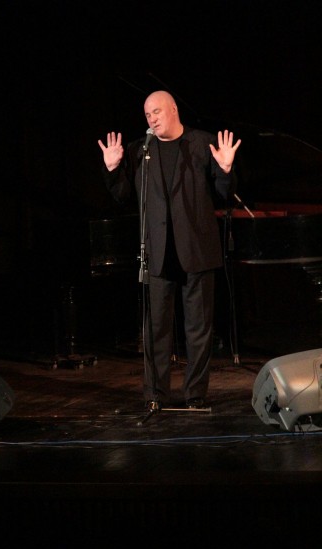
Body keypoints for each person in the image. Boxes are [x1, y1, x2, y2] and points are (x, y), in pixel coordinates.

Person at [98, 90, 241, 410]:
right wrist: (112, 169)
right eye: (148, 114)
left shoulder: (203, 144)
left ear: (174, 109)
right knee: (155, 330)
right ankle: (155, 394)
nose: (152, 119)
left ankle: (195, 394)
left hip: (197, 251)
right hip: (157, 252)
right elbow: (122, 196)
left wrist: (226, 170)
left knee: (198, 329)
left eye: (157, 112)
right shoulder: (140, 150)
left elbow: (224, 195)